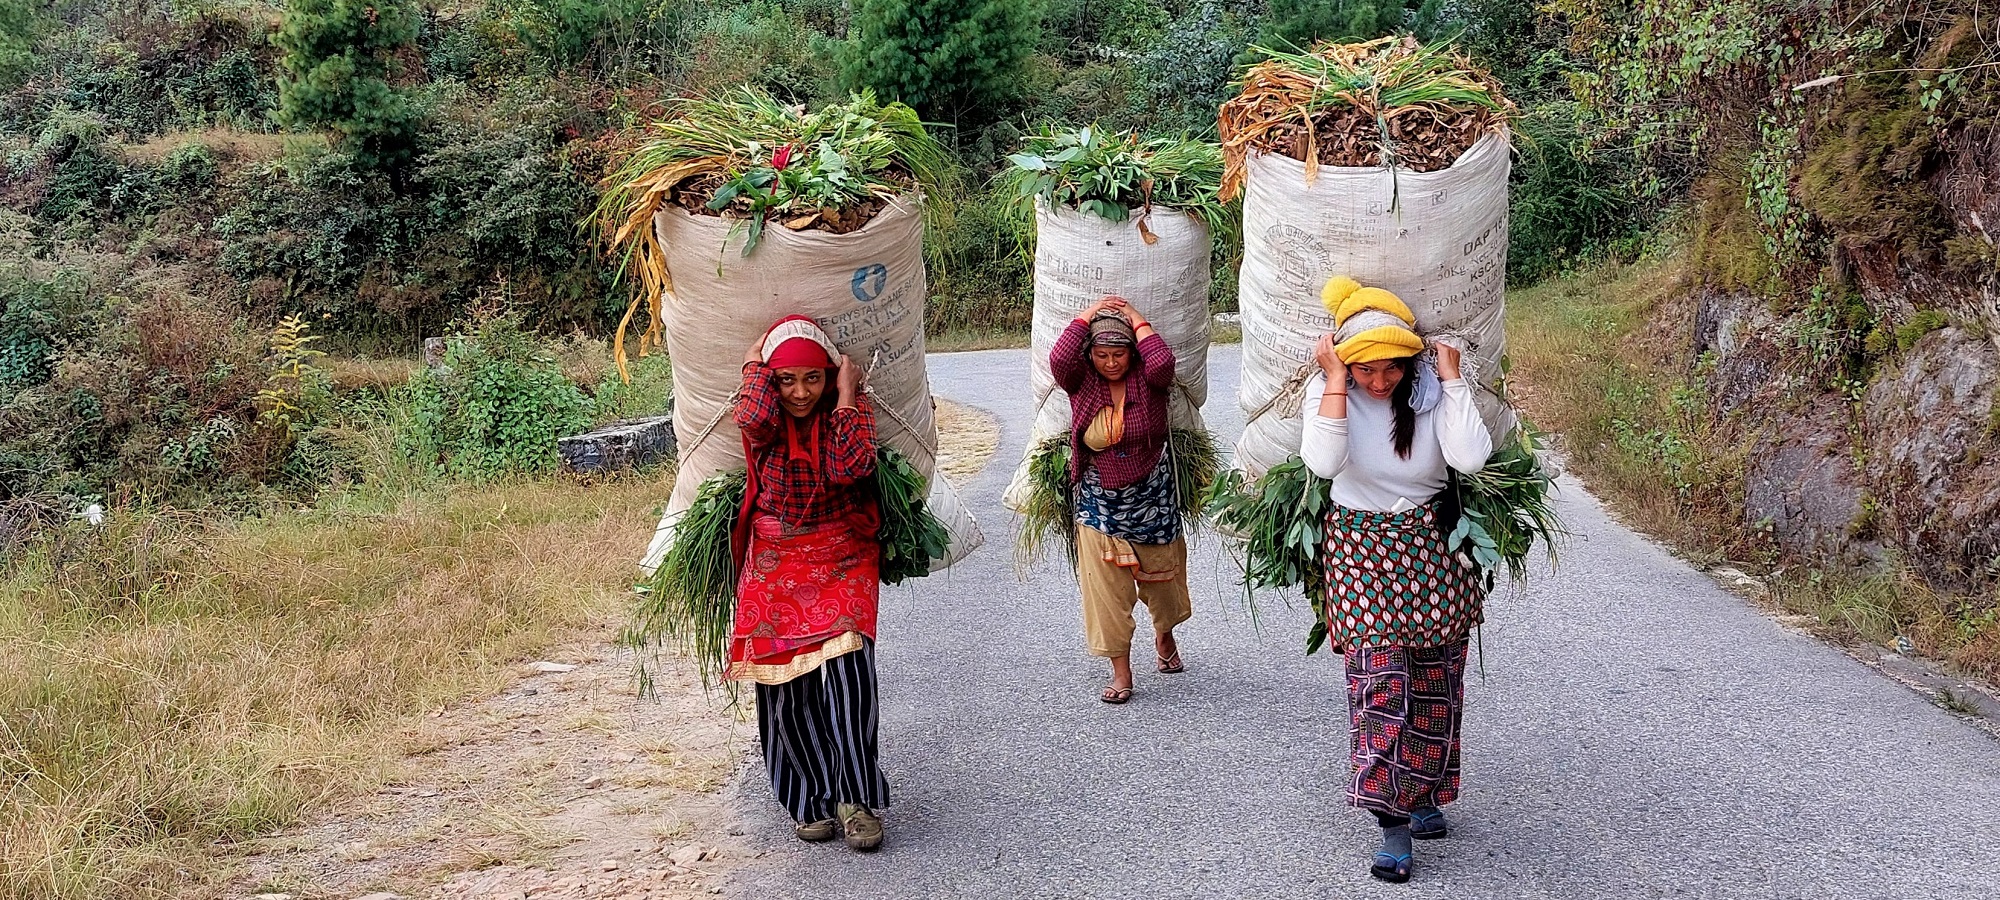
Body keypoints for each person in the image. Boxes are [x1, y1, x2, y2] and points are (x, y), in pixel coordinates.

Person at [1298, 277, 1492, 884]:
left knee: (1436, 683)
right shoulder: (1330, 392)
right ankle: (1392, 823)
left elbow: (1470, 459)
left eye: (1391, 370)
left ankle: (1424, 789)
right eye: (1366, 370)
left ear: (1411, 363)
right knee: (1380, 688)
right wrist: (1334, 379)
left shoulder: (1433, 391)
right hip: (1359, 551)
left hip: (1433, 549)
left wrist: (1453, 377)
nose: (1379, 383)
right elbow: (1324, 464)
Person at [729, 314, 890, 852]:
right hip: (776, 563)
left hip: (843, 557)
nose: (800, 393)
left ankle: (855, 800)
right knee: (784, 691)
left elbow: (852, 467)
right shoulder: (766, 422)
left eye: (812, 378)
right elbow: (749, 414)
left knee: (850, 678)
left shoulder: (847, 415)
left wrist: (845, 393)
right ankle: (807, 800)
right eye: (786, 380)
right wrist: (756, 364)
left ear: (828, 375)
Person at [1050, 296, 1192, 705]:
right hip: (1098, 501)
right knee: (1106, 590)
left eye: (1119, 354)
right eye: (1102, 355)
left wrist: (1134, 317)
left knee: (1163, 581)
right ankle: (1121, 671)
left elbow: (1164, 362)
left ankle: (1164, 637)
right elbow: (1060, 358)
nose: (1111, 363)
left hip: (1153, 496)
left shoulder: (1150, 381)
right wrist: (1090, 314)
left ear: (1132, 353)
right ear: (1090, 355)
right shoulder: (1083, 383)